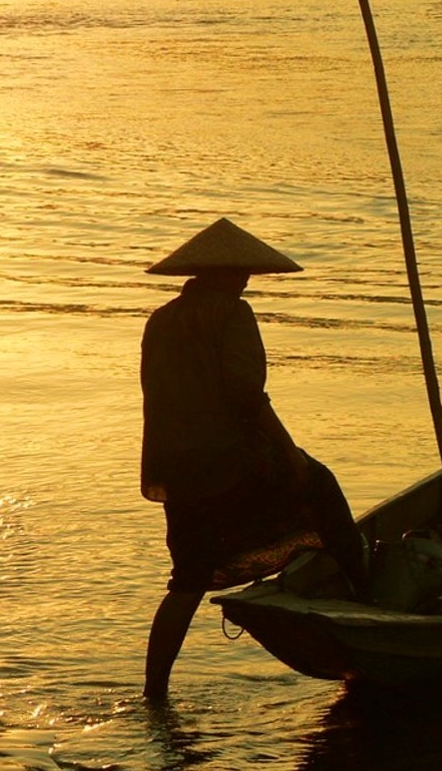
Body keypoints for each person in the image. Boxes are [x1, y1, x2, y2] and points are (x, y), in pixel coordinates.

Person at [140, 217, 368, 701]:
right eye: (241, 272)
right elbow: (247, 394)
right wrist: (290, 453)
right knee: (321, 485)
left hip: (176, 465)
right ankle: (368, 595)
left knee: (187, 578)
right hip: (226, 459)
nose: (246, 280)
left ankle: (154, 689)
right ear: (225, 273)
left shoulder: (162, 317)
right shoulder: (231, 313)